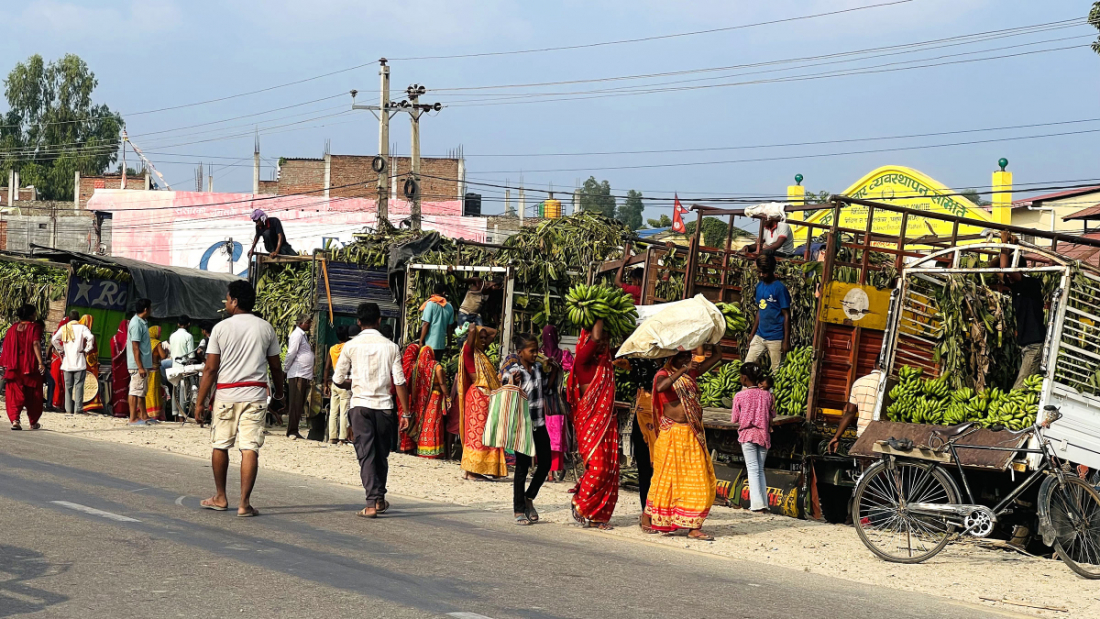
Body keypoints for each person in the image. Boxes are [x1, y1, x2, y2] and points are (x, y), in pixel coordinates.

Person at [194, 280, 284, 517]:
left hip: (226, 395)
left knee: (220, 444)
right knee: (249, 448)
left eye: (227, 299)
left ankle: (221, 496)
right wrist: (281, 394)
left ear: (234, 301)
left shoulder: (221, 329)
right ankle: (244, 503)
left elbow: (210, 369)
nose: (225, 303)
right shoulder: (266, 328)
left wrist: (200, 402)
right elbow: (276, 367)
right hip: (256, 395)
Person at [333, 302, 410, 518]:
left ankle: (370, 504)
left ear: (358, 322)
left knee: (366, 455)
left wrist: (357, 382)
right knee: (381, 455)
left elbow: (338, 379)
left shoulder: (350, 346)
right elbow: (400, 381)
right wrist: (406, 413)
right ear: (379, 320)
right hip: (385, 407)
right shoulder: (391, 347)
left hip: (360, 407)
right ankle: (379, 499)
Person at [645, 348, 721, 539]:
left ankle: (693, 526)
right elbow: (661, 387)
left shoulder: (689, 373)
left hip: (690, 433)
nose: (688, 359)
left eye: (689, 356)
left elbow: (718, 357)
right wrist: (684, 369)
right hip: (671, 433)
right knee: (664, 482)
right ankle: (648, 516)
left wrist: (715, 341)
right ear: (672, 358)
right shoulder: (662, 374)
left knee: (698, 480)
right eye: (682, 357)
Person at [567, 318, 618, 529]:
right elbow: (595, 337)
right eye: (600, 340)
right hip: (590, 422)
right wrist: (601, 314)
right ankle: (580, 503)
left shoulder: (606, 364)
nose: (603, 342)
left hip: (607, 422)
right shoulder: (582, 361)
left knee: (610, 469)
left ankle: (598, 515)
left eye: (606, 340)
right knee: (598, 467)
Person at [502, 334, 553, 525]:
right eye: (531, 351)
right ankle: (518, 509)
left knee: (545, 463)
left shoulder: (539, 369)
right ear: (520, 352)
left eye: (536, 350)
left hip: (539, 423)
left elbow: (547, 390)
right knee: (522, 468)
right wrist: (511, 382)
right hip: (522, 426)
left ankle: (528, 497)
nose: (535, 354)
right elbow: (506, 387)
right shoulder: (514, 371)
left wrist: (553, 369)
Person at [458, 324, 507, 480]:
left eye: (486, 338)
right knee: (477, 435)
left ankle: (474, 470)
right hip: (477, 399)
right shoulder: (469, 352)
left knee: (486, 434)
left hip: (485, 399)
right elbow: (472, 330)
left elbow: (495, 331)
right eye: (482, 338)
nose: (485, 341)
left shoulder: (480, 353)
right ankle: (472, 471)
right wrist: (472, 325)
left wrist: (482, 332)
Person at [1000, 231, 1047, 389]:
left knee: (1019, 389)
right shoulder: (1016, 287)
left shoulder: (1031, 284)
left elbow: (1007, 270)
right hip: (1025, 345)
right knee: (1028, 385)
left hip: (1034, 345)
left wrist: (1005, 246)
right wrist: (1010, 248)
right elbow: (999, 270)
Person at [730, 362, 775, 514]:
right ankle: (763, 503)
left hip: (747, 434)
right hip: (763, 435)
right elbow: (772, 414)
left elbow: (734, 418)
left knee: (753, 469)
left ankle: (757, 505)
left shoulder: (739, 396)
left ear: (744, 378)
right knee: (759, 469)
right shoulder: (767, 395)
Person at [2, 304, 45, 430]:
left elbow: (6, 347)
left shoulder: (12, 328)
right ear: (31, 315)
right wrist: (40, 362)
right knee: (34, 395)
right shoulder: (34, 327)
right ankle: (33, 422)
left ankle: (15, 420)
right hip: (30, 366)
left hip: (14, 367)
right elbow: (36, 343)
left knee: (14, 394)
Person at [745, 254, 791, 370]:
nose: (761, 275)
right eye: (759, 272)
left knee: (776, 370)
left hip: (776, 337)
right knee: (747, 366)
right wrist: (752, 334)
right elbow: (760, 311)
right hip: (759, 335)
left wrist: (786, 341)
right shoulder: (759, 286)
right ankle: (747, 388)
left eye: (764, 273)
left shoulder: (779, 288)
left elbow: (786, 314)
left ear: (771, 271)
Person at [541, 325, 573, 479]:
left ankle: (547, 470)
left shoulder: (539, 354)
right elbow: (570, 371)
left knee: (544, 433)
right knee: (556, 434)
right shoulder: (563, 354)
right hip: (556, 399)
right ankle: (554, 469)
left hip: (541, 399)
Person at [827, 369, 884, 453]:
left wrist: (836, 437)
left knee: (865, 464)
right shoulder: (887, 384)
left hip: (862, 434)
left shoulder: (858, 383)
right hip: (882, 435)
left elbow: (850, 413)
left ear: (874, 365)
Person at [51, 312, 95, 415]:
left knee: (68, 387)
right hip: (79, 360)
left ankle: (68, 410)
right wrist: (87, 348)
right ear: (78, 318)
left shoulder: (64, 328)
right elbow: (91, 337)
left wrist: (61, 349)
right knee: (79, 386)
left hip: (67, 362)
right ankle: (78, 410)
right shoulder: (82, 328)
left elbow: (54, 339)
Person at [413, 345, 449, 459]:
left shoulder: (418, 367)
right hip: (435, 397)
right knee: (434, 422)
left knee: (425, 422)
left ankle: (423, 449)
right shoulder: (437, 366)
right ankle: (433, 450)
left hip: (423, 399)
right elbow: (442, 383)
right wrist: (448, 397)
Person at [283, 314, 315, 440]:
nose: (309, 325)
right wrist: (285, 369)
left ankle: (294, 428)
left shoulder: (303, 336)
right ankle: (292, 430)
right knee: (295, 403)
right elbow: (291, 353)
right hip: (297, 374)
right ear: (301, 323)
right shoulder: (297, 335)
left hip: (303, 374)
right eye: (308, 323)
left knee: (299, 403)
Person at [126, 299, 154, 426]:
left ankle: (143, 415)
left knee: (141, 391)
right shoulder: (136, 323)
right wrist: (140, 366)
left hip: (143, 363)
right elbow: (135, 346)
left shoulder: (142, 322)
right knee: (135, 390)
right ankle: (132, 418)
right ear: (146, 309)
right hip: (138, 364)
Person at [325, 325, 354, 445]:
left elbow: (327, 367)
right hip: (345, 381)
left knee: (333, 411)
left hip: (334, 381)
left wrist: (326, 383)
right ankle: (342, 437)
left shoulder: (332, 349)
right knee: (344, 411)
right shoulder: (348, 348)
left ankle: (332, 437)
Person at [47, 311, 78, 411]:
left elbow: (51, 345)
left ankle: (58, 403)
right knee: (62, 382)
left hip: (58, 359)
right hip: (62, 359)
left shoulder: (59, 332)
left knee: (60, 382)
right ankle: (60, 404)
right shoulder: (72, 332)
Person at [418, 282, 455, 358]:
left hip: (429, 344)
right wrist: (449, 344)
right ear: (444, 293)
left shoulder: (430, 304)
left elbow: (426, 324)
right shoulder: (450, 307)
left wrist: (421, 341)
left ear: (433, 292)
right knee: (437, 366)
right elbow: (450, 328)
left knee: (428, 367)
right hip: (441, 345)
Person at [78, 315, 104, 415]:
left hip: (77, 363)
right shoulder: (89, 337)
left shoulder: (76, 334)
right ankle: (91, 404)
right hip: (88, 365)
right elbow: (91, 354)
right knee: (91, 383)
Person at [109, 319, 131, 419]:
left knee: (118, 390)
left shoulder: (114, 339)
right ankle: (123, 411)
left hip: (117, 369)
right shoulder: (129, 341)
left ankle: (118, 411)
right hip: (125, 369)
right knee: (125, 390)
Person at [146, 326, 167, 421]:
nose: (160, 334)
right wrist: (165, 352)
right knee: (154, 391)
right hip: (154, 370)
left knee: (146, 391)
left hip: (146, 370)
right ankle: (154, 413)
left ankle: (145, 410)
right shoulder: (157, 343)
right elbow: (163, 356)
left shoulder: (145, 342)